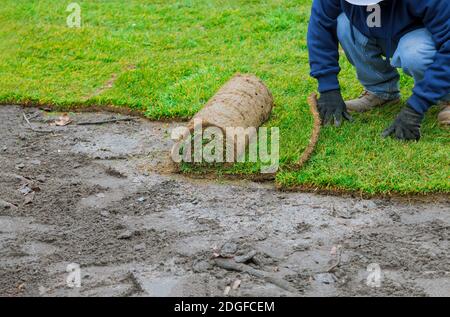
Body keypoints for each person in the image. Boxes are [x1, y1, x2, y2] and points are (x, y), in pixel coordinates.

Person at [307, 0, 450, 140]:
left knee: (415, 54)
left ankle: (447, 96)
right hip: (379, 27)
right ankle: (381, 92)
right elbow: (320, 26)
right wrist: (328, 89)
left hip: (421, 34)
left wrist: (416, 107)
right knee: (344, 24)